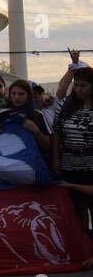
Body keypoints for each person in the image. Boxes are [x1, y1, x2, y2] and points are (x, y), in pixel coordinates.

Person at [52, 67, 93, 235]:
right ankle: (85, 251)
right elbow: (56, 133)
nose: (79, 89)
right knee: (77, 209)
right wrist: (55, 159)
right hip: (70, 163)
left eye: (83, 85)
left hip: (91, 165)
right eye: (76, 85)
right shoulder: (65, 105)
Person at [0, 79, 51, 156]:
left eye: (21, 94)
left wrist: (36, 131)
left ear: (28, 95)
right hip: (8, 162)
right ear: (10, 95)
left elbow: (47, 146)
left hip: (32, 163)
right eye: (14, 93)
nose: (17, 97)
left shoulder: (38, 115)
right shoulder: (2, 114)